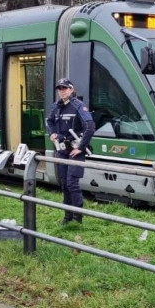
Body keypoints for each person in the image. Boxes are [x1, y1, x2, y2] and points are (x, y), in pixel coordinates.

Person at [46, 78, 94, 224]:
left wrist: (80, 148)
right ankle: (67, 217)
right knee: (64, 184)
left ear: (71, 90)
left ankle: (78, 218)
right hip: (61, 150)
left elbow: (90, 127)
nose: (62, 91)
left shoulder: (78, 105)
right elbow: (49, 121)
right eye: (59, 88)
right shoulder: (57, 106)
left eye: (65, 88)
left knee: (72, 184)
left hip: (75, 150)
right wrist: (52, 133)